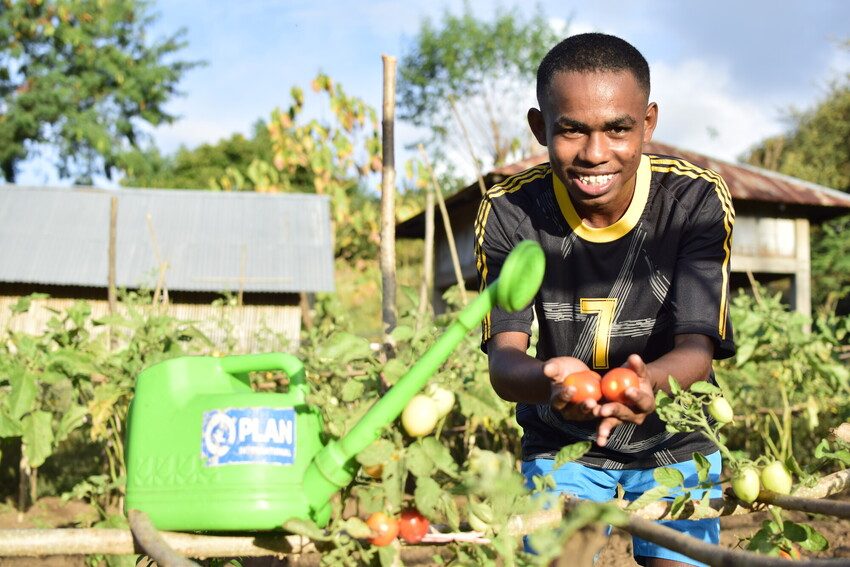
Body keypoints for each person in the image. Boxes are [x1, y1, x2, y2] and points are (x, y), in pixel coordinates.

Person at [474, 33, 735, 567]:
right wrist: (549, 378)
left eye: (618, 128)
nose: (596, 154)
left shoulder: (694, 200)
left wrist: (645, 386)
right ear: (539, 127)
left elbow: (697, 350)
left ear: (649, 122)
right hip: (561, 442)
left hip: (676, 436)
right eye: (571, 130)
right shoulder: (510, 212)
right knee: (562, 560)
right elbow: (505, 364)